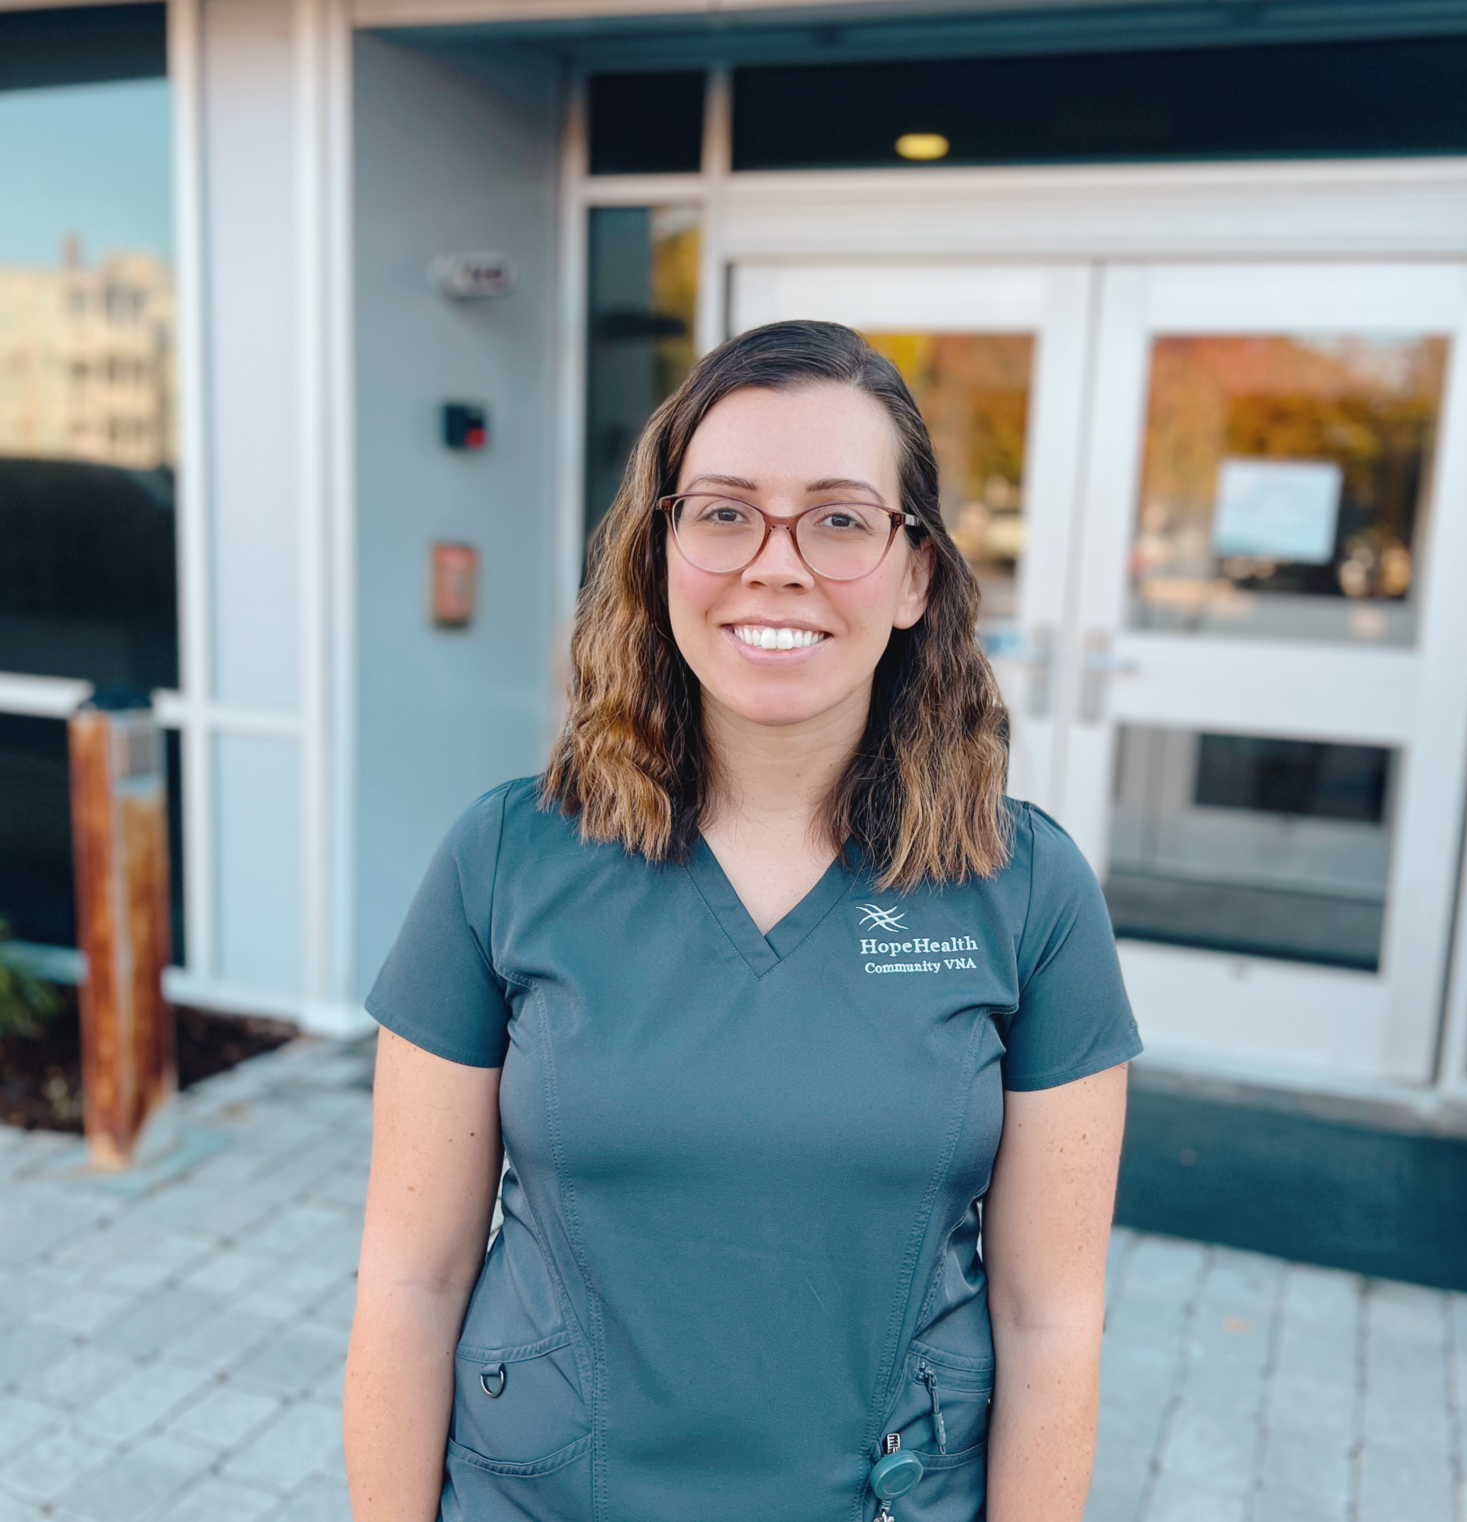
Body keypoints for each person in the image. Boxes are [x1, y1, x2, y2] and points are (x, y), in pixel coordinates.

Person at [343, 320, 1141, 1522]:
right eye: (723, 511)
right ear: (662, 549)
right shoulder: (508, 857)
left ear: (916, 571)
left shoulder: (1024, 890)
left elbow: (1051, 1318)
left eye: (839, 517)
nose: (776, 563)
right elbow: (414, 1276)